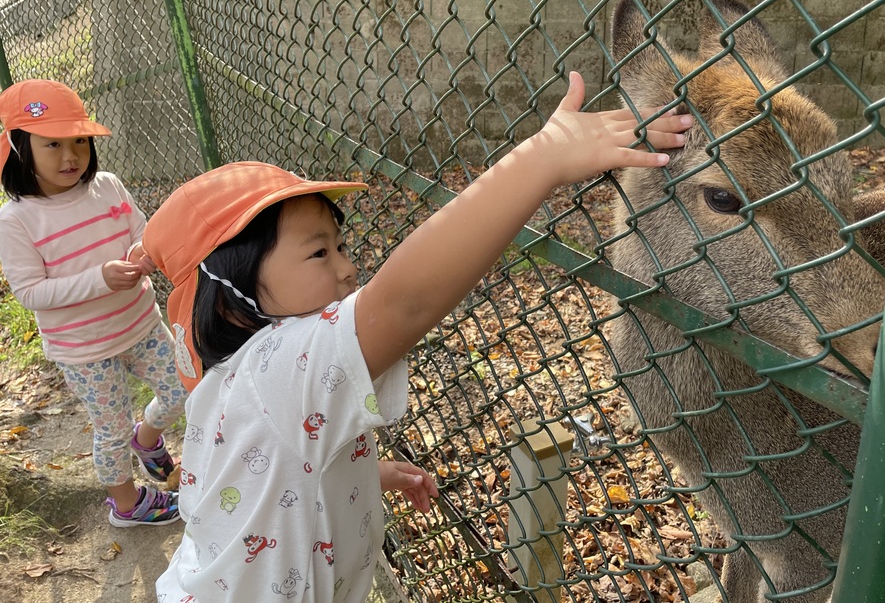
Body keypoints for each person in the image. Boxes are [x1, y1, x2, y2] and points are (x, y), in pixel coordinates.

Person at [144, 71, 692, 602]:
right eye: (318, 252)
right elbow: (404, 302)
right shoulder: (273, 367)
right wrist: (542, 158)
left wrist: (366, 473)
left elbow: (256, 476)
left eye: (340, 246)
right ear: (231, 297)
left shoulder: (237, 380)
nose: (346, 268)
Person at [0, 79, 187, 527]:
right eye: (52, 145)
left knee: (182, 388)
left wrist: (144, 250)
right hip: (84, 350)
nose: (71, 156)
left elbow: (142, 231)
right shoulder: (16, 220)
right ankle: (127, 506)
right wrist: (99, 279)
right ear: (18, 148)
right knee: (111, 428)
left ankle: (149, 439)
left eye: (80, 141)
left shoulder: (107, 186)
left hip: (141, 325)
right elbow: (31, 293)